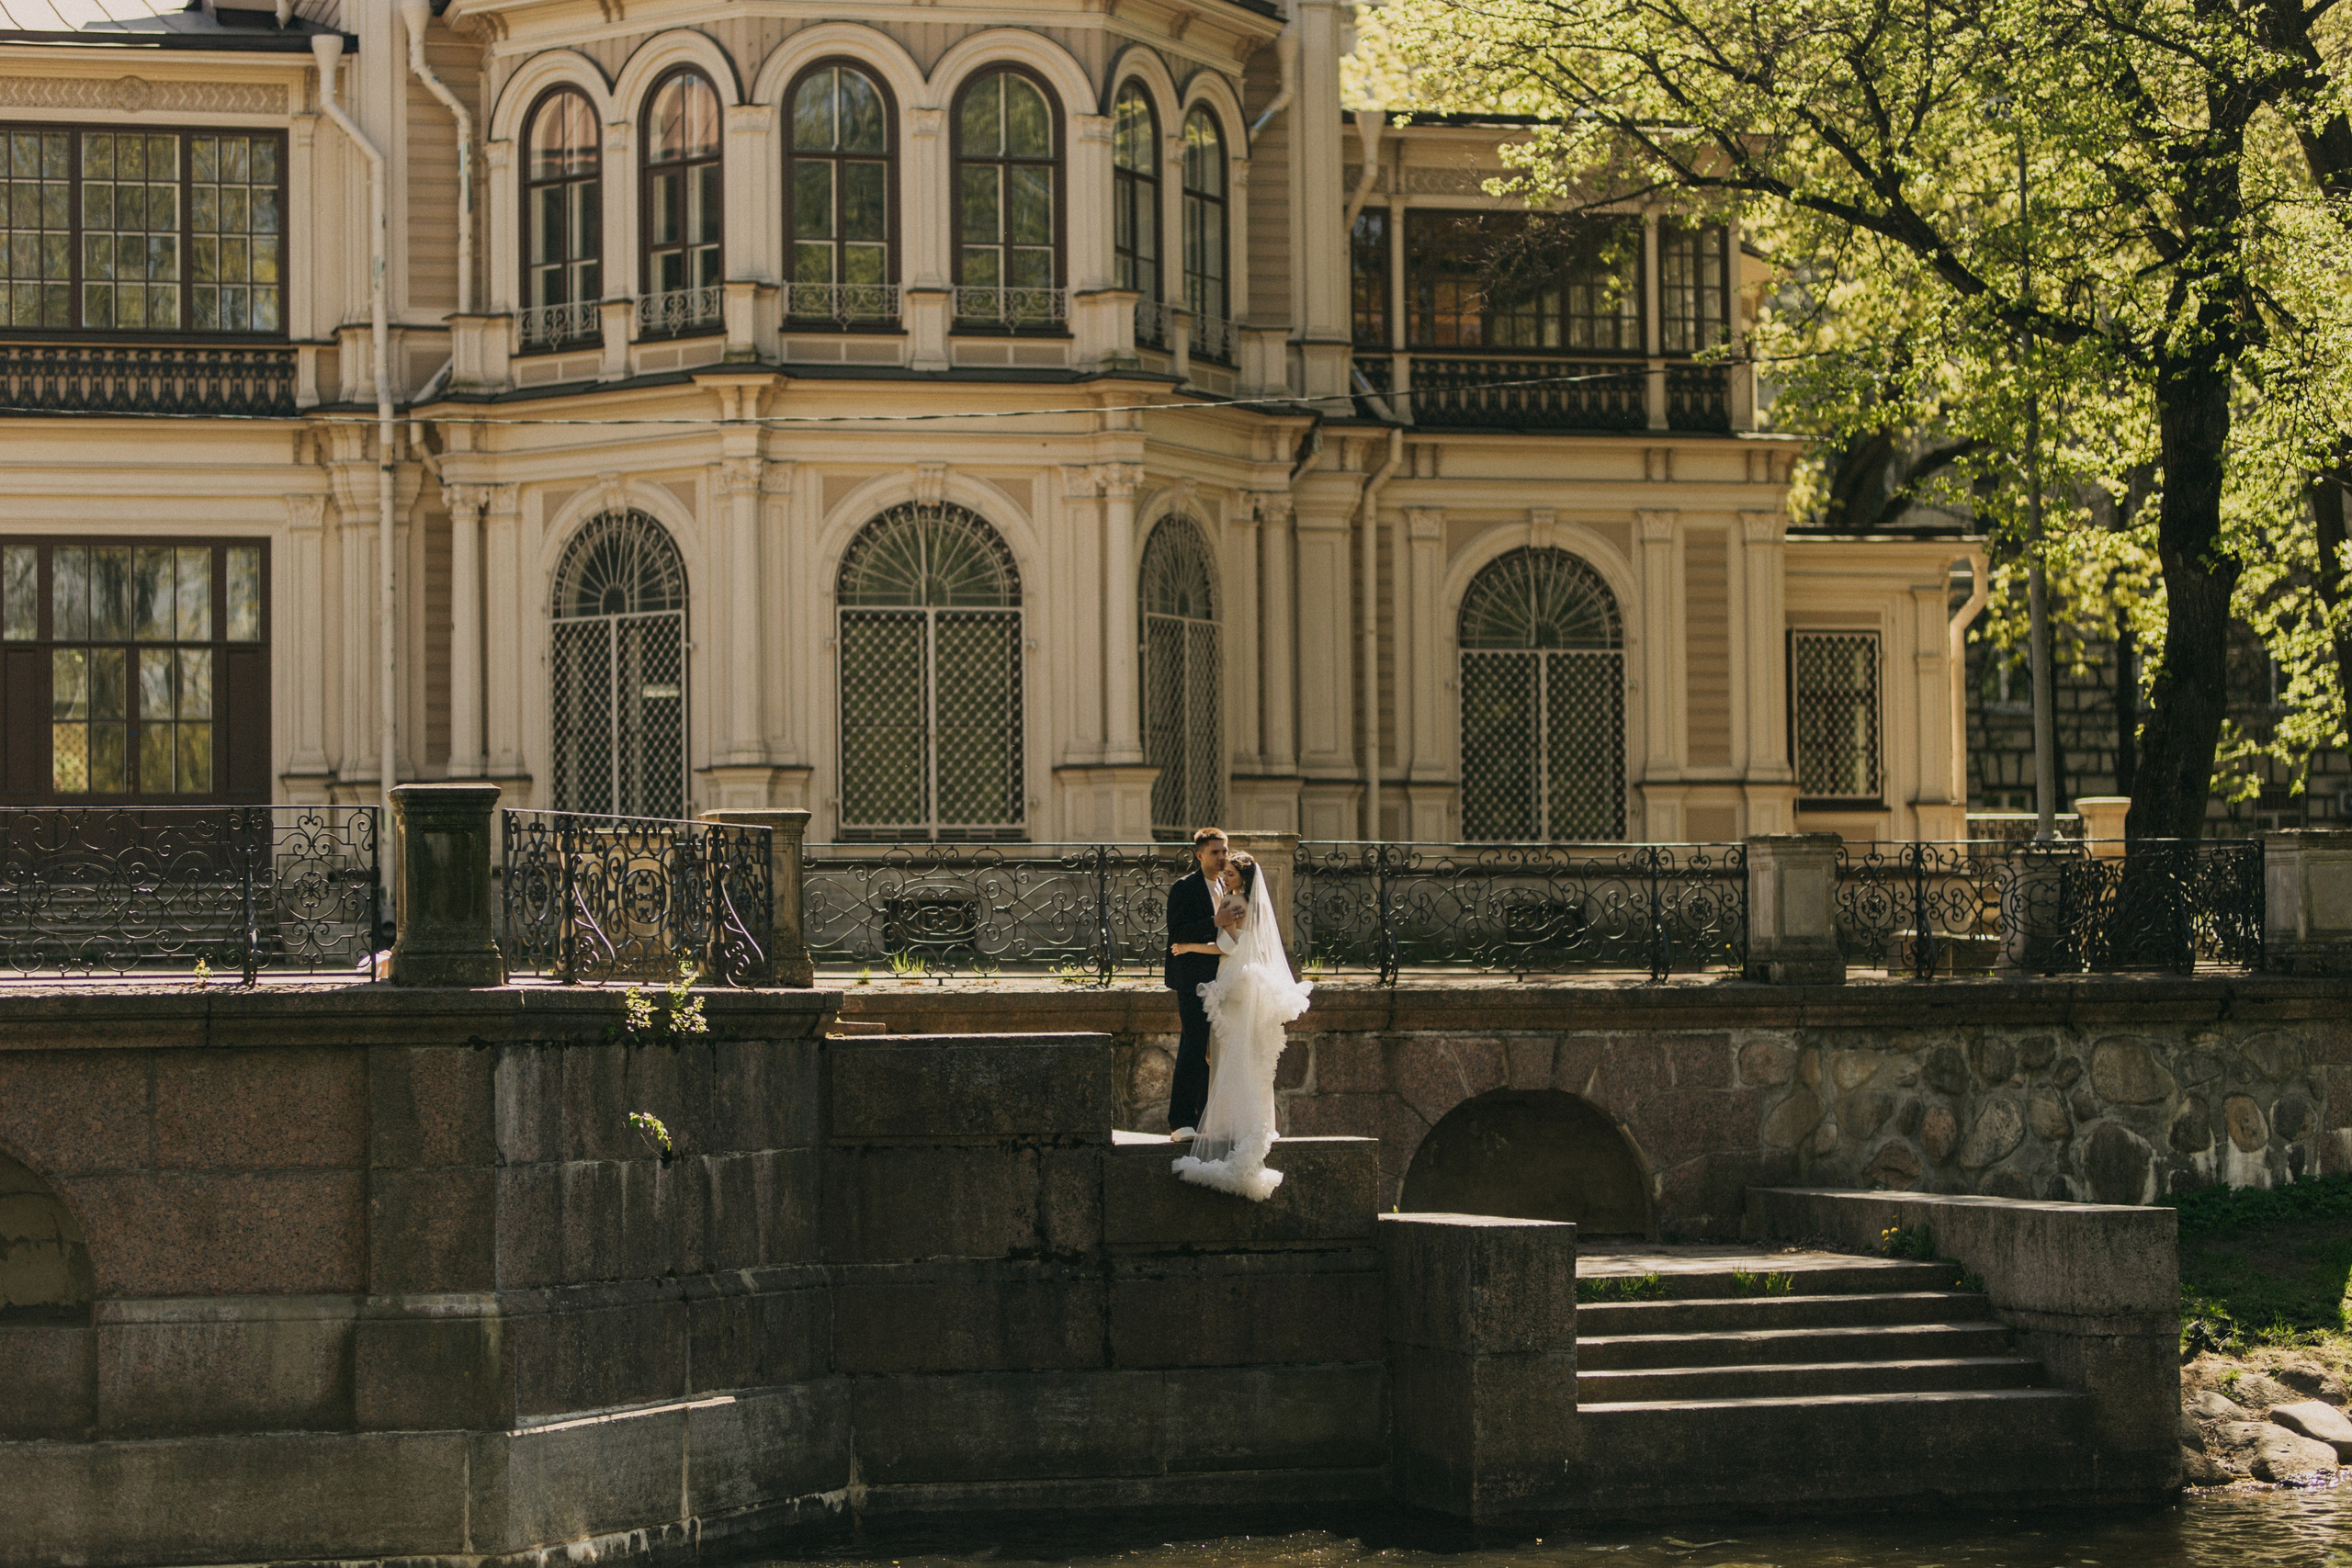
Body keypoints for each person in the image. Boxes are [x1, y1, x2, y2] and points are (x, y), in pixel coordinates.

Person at [1172, 850, 1313, 1200]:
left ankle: (1229, 1124)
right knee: (1245, 1056)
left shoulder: (1234, 902)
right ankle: (1249, 1121)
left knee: (1227, 1054)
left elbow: (1226, 946)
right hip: (1245, 982)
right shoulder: (1251, 904)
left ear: (1243, 878)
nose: (1227, 875)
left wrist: (1188, 946)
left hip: (1233, 980)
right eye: (1227, 871)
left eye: (1232, 872)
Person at [1163, 826, 1241, 1136]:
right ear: (1200, 855)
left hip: (1220, 979)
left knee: (1214, 1050)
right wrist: (1213, 922)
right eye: (1215, 852)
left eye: (1224, 851)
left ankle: (1203, 1119)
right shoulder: (1184, 888)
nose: (1222, 857)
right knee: (1193, 1044)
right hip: (1191, 979)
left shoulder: (1228, 888)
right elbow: (1177, 931)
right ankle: (1180, 1121)